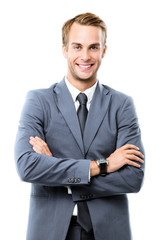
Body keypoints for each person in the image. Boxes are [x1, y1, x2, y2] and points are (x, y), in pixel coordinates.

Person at [14, 12, 145, 240]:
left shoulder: (122, 105)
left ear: (104, 50)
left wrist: (56, 171)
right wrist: (104, 166)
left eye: (93, 47)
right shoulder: (38, 101)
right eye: (77, 47)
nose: (85, 56)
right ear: (64, 49)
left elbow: (132, 178)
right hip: (50, 231)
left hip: (109, 231)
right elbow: (27, 166)